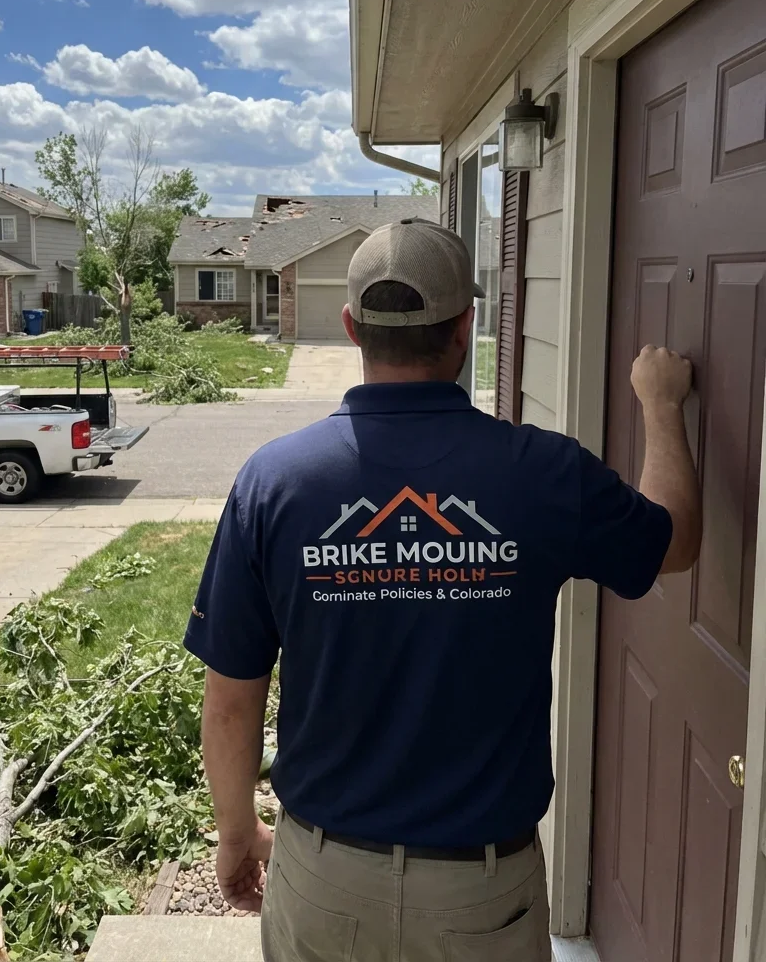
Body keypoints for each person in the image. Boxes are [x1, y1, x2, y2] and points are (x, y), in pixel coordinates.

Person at [184, 218, 701, 962]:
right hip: (481, 891)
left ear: (351, 328)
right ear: (465, 327)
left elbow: (231, 701)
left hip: (326, 879)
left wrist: (237, 834)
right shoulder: (543, 475)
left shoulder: (275, 483)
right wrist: (662, 405)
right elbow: (674, 543)